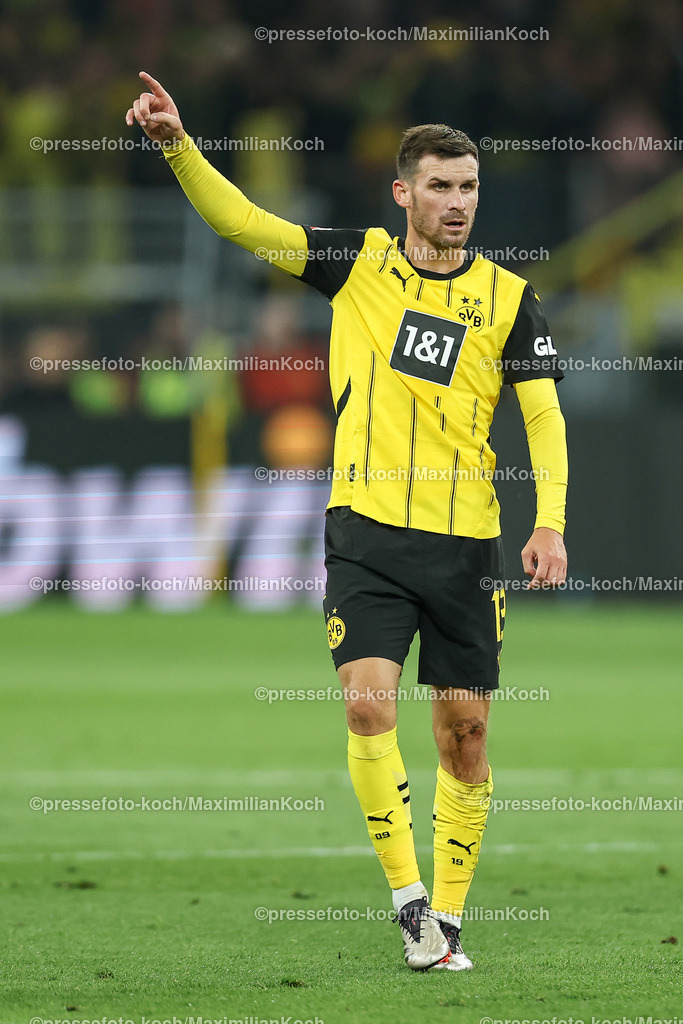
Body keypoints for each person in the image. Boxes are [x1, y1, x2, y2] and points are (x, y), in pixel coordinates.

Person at [126, 72, 568, 973]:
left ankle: (448, 916)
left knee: (464, 736)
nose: (456, 204)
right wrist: (178, 145)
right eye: (439, 187)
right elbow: (242, 223)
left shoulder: (510, 298)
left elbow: (542, 418)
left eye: (468, 187)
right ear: (402, 192)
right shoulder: (357, 265)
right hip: (365, 530)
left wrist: (549, 521)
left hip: (465, 546)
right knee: (368, 705)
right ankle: (410, 903)